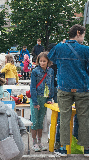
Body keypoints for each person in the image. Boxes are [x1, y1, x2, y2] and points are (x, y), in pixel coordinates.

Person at [48, 24, 89, 157]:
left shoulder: (60, 47)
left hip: (64, 87)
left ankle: (63, 148)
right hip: (82, 88)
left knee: (64, 118)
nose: (83, 38)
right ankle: (87, 149)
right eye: (83, 35)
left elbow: (51, 57)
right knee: (84, 118)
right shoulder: (85, 49)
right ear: (78, 33)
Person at [29, 52, 54, 152]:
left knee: (41, 122)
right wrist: (35, 102)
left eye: (44, 61)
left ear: (48, 61)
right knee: (35, 122)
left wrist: (49, 98)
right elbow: (32, 87)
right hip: (36, 98)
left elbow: (51, 85)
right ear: (38, 61)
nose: (42, 63)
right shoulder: (35, 71)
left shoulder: (51, 71)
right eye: (40, 61)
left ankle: (40, 142)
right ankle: (34, 143)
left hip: (45, 98)